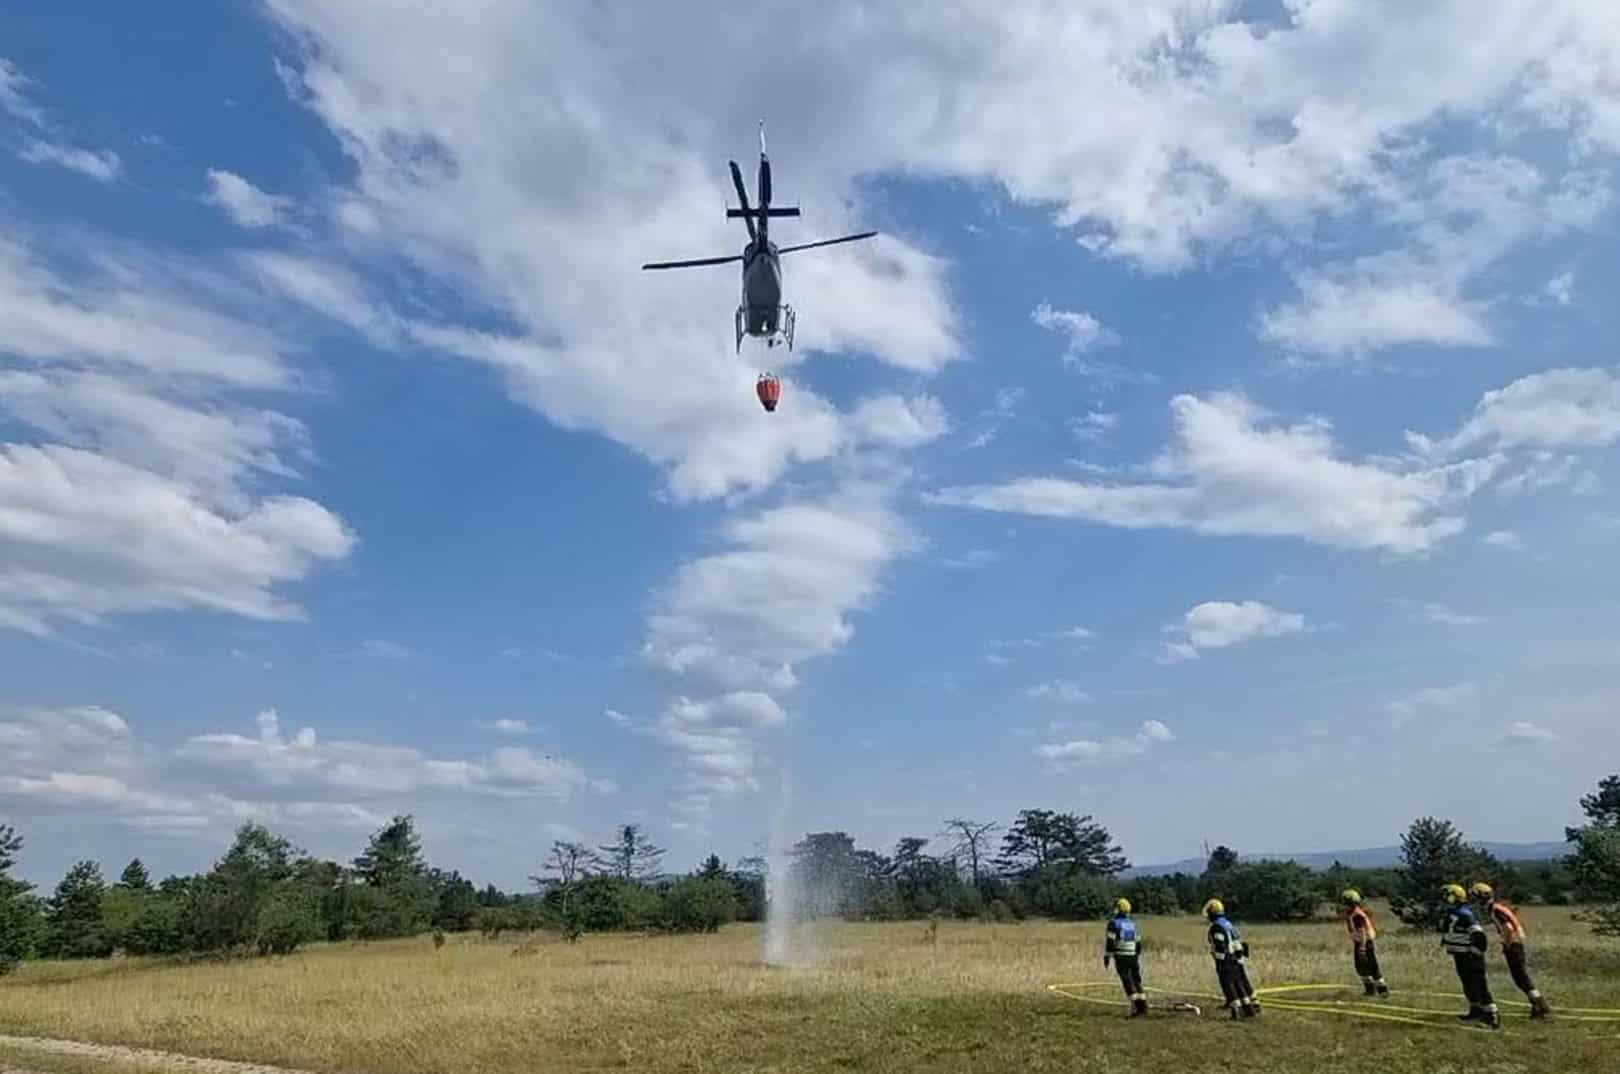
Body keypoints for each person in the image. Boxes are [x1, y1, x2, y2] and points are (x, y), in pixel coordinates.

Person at [1471, 882, 1551, 1018]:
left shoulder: (1495, 909)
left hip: (1513, 944)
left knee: (1520, 977)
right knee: (1521, 976)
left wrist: (1507, 944)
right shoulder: (1498, 907)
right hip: (1516, 943)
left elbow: (1508, 927)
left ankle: (1540, 1005)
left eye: (1476, 897)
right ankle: (1538, 1004)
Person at [1440, 883, 1499, 1029]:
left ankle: (1492, 1016)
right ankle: (1475, 1010)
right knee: (1468, 984)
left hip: (1470, 956)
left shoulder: (1465, 914)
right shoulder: (1452, 913)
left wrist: (1475, 952)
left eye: (1448, 896)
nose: (1445, 899)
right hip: (1460, 955)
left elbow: (1479, 935)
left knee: (1479, 985)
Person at [1203, 898, 1259, 1019]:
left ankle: (1236, 1010)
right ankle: (1249, 1008)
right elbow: (1237, 939)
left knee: (1228, 985)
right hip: (1236, 957)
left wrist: (1219, 960)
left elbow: (1219, 945)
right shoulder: (1227, 923)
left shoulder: (1216, 927)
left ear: (1212, 913)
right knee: (1240, 983)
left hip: (1226, 960)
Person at [1103, 897, 1148, 1017]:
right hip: (1133, 956)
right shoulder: (1133, 924)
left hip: (1121, 955)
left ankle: (1135, 1008)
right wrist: (1136, 955)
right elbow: (1138, 943)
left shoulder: (1113, 923)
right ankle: (1143, 1007)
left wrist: (1107, 956)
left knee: (1127, 981)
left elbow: (1110, 942)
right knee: (1137, 981)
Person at [1340, 889, 1390, 996]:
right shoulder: (1355, 913)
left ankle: (1371, 990)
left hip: (1363, 943)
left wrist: (1361, 948)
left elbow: (1361, 931)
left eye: (1345, 902)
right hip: (1368, 942)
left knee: (1362, 966)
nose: (1344, 905)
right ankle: (1382, 989)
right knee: (1372, 965)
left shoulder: (1357, 915)